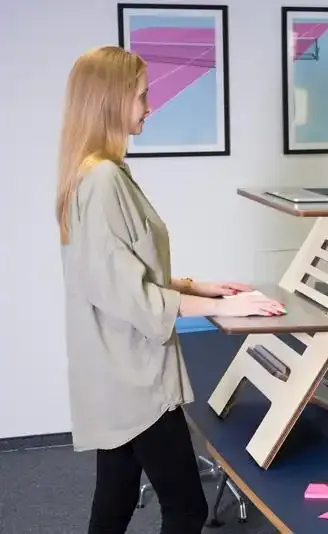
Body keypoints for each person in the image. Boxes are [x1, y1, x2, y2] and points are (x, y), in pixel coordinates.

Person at [56, 46, 285, 534]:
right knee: (186, 509)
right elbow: (128, 295)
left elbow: (124, 270)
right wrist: (227, 306)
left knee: (115, 499)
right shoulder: (102, 181)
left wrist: (198, 286)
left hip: (117, 370)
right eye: (142, 96)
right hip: (133, 377)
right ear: (112, 101)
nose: (150, 106)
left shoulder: (102, 173)